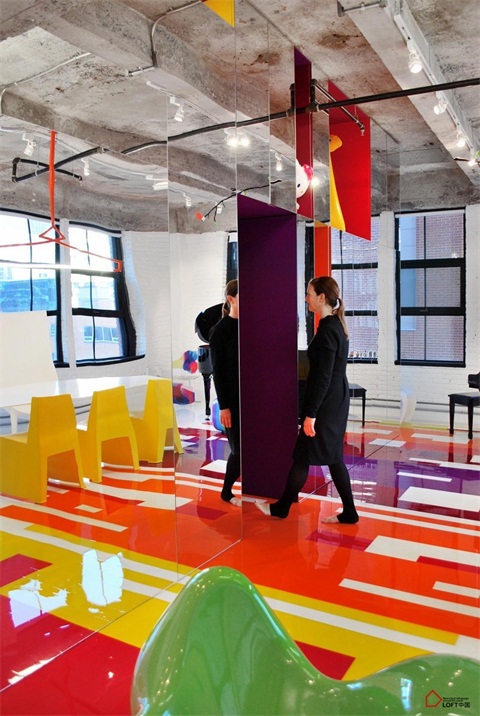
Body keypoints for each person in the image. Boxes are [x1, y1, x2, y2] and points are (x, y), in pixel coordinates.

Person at [256, 276, 358, 523]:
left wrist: (311, 413)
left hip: (326, 403)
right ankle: (349, 512)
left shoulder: (327, 330)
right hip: (335, 399)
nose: (306, 298)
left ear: (321, 297)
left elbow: (323, 377)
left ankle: (281, 508)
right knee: (332, 457)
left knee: (304, 455)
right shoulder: (335, 325)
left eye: (309, 294)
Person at [209, 279, 241, 507]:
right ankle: (226, 491)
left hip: (251, 398)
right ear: (231, 299)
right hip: (232, 400)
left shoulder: (251, 326)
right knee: (238, 449)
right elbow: (217, 373)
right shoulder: (219, 331)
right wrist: (224, 406)